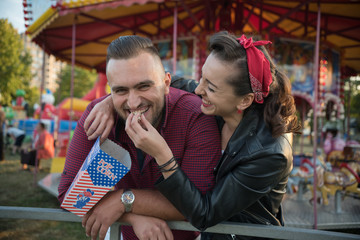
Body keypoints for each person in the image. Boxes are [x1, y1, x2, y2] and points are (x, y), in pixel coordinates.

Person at [86, 31, 301, 240]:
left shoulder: (270, 153)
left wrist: (163, 155)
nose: (198, 90)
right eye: (202, 78)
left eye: (211, 87)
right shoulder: (217, 104)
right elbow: (153, 84)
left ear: (245, 100)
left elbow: (205, 214)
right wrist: (109, 102)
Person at [58, 35, 222, 240]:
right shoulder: (96, 116)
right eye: (121, 90)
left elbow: (199, 204)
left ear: (166, 83)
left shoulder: (195, 116)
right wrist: (132, 216)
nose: (133, 103)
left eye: (144, 86)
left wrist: (122, 200)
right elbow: (69, 195)